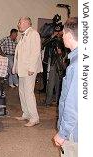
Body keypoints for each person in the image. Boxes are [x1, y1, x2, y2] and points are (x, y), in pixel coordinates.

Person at [53, 17, 78, 157]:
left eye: (63, 33)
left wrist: (63, 133)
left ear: (68, 35)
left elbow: (73, 105)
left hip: (75, 133)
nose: (61, 36)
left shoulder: (77, 66)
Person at [13, 17, 43, 127]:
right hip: (22, 69)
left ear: (26, 23)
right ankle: (26, 113)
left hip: (29, 70)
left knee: (29, 93)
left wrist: (31, 68)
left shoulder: (33, 34)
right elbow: (19, 54)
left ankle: (35, 118)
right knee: (22, 92)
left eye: (20, 22)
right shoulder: (24, 35)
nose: (18, 24)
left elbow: (35, 52)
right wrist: (15, 67)